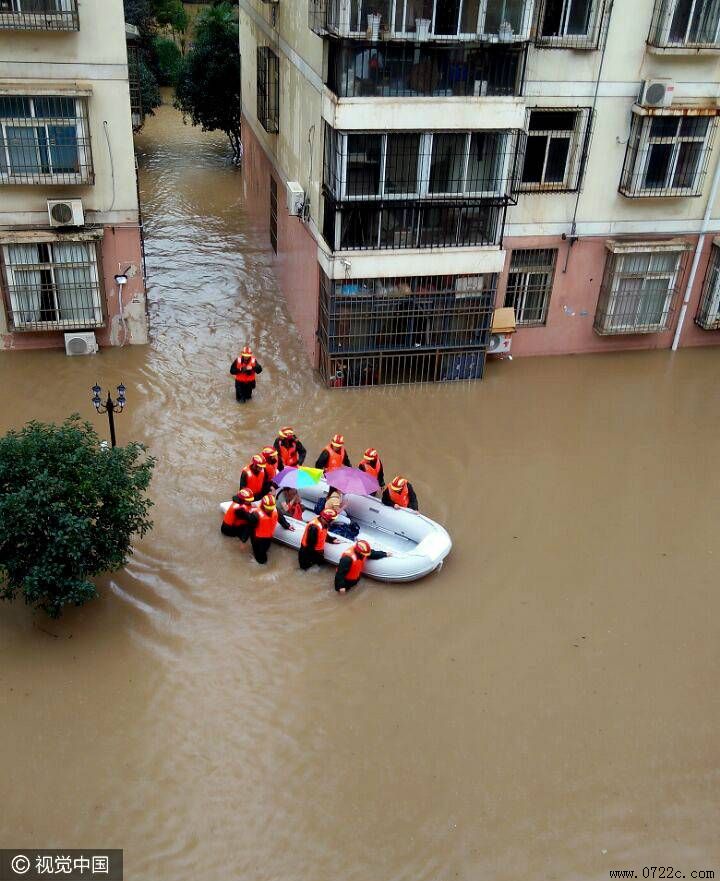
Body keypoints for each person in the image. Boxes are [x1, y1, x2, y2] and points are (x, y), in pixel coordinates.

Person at [246, 494, 294, 564]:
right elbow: (249, 528)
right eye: (268, 509)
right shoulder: (255, 515)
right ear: (263, 506)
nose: (270, 510)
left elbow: (280, 517)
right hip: (257, 539)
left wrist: (287, 526)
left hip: (268, 537)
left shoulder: (274, 509)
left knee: (266, 548)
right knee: (261, 559)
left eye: (271, 509)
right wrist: (244, 540)